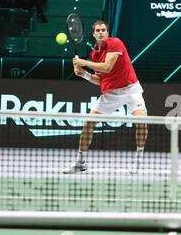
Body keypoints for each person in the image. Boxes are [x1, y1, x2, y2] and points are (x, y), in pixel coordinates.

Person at [62, 20, 148, 174]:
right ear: (94, 34)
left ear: (107, 34)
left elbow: (107, 66)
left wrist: (83, 63)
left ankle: (138, 160)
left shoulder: (115, 43)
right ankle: (80, 162)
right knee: (88, 123)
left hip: (131, 90)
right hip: (111, 94)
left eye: (103, 30)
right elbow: (101, 80)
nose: (101, 32)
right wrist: (84, 74)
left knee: (142, 123)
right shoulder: (95, 55)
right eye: (98, 30)